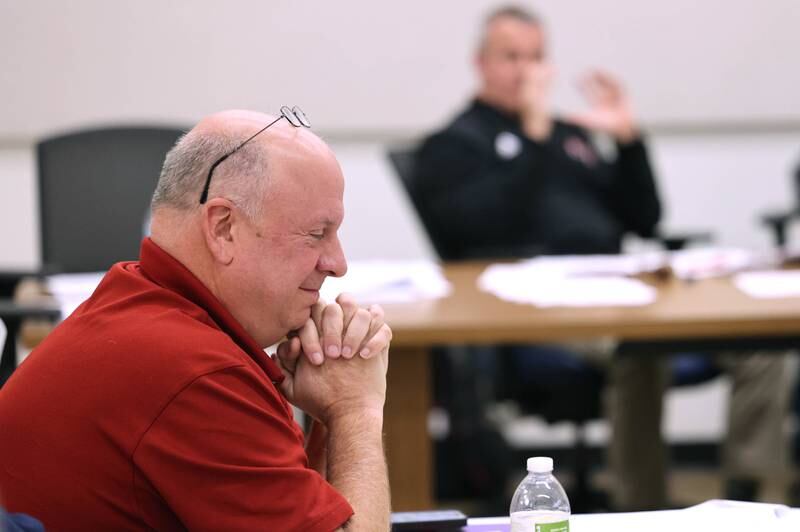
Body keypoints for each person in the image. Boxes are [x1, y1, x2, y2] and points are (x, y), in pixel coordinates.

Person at [413, 5, 793, 509]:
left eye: (536, 57)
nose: (526, 70)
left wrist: (628, 141)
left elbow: (644, 218)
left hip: (622, 287)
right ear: (480, 62)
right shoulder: (455, 145)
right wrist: (531, 134)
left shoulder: (571, 135)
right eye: (511, 57)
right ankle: (645, 507)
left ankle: (746, 493)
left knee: (760, 341)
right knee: (640, 349)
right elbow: (478, 229)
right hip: (531, 309)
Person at [0, 108, 392, 531]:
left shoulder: (140, 305)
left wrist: (333, 417)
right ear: (223, 228)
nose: (338, 264)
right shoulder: (195, 373)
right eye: (316, 234)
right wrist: (356, 411)